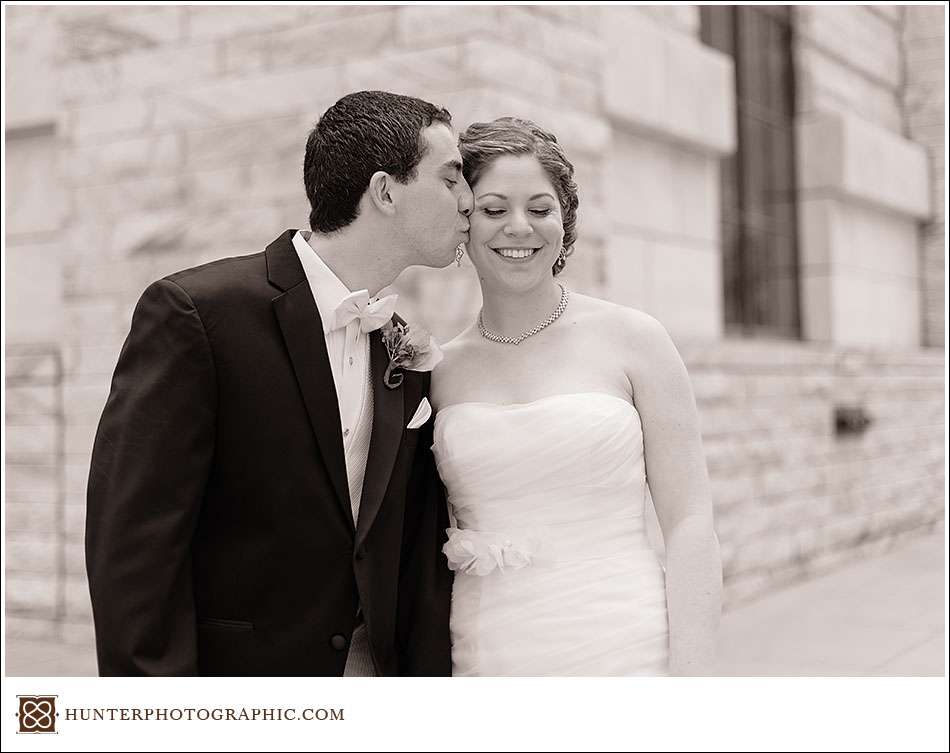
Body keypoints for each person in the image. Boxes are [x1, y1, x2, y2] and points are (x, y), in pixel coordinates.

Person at [85, 90, 472, 676]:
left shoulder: (397, 340)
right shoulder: (198, 313)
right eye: (450, 180)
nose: (469, 201)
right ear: (386, 191)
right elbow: (134, 546)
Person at [430, 117, 722, 676]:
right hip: (488, 650)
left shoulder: (635, 339)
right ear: (463, 222)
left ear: (565, 224)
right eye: (494, 209)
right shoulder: (439, 370)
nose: (519, 227)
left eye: (540, 209)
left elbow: (689, 523)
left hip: (626, 643)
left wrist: (694, 686)